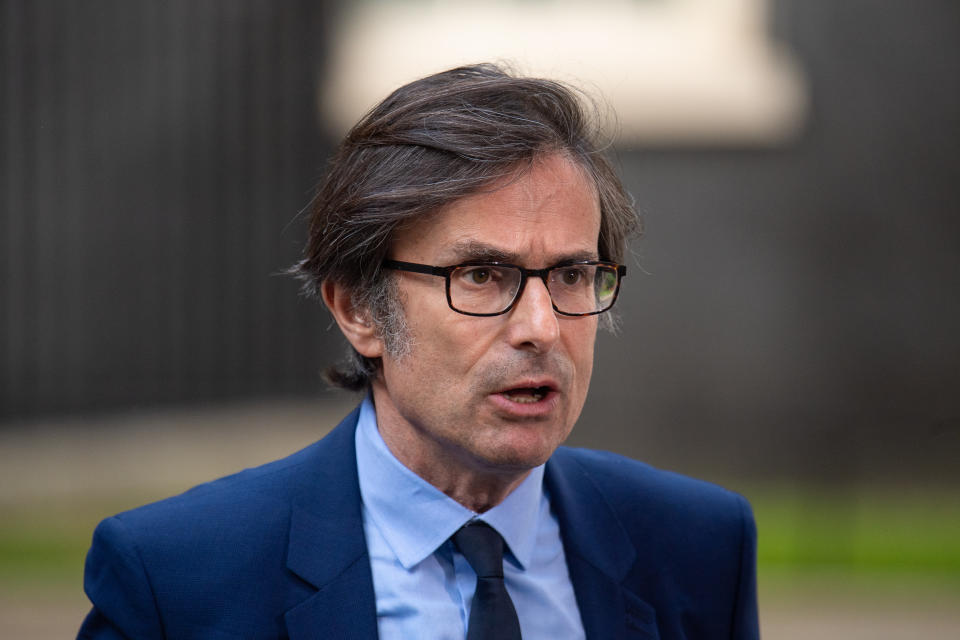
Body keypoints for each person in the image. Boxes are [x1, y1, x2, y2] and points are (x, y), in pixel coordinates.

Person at [79, 63, 758, 639]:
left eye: (572, 275)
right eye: (482, 276)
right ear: (356, 308)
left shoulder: (699, 548)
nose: (542, 327)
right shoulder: (176, 580)